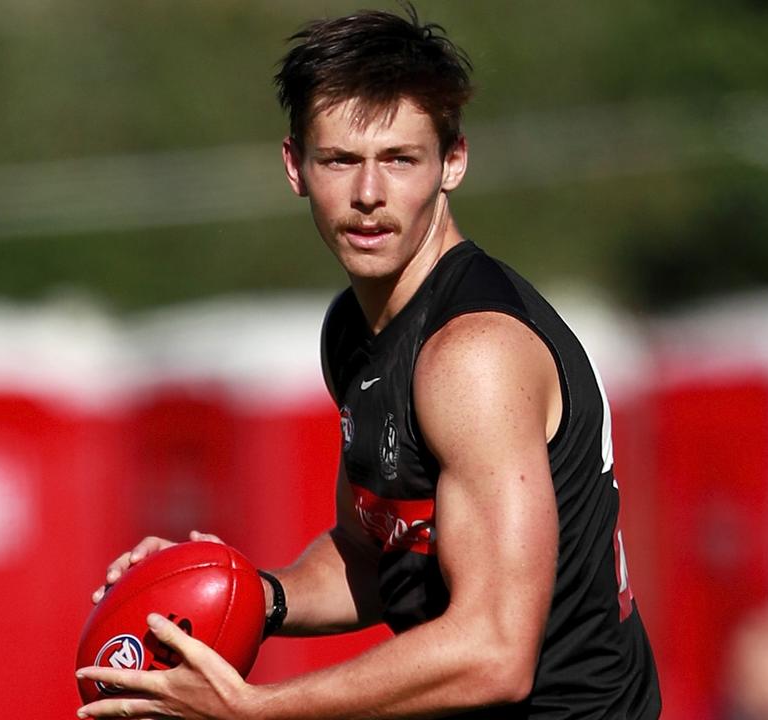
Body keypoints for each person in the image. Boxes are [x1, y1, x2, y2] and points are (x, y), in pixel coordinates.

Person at [77, 6, 660, 718]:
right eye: (340, 160)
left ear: (454, 162)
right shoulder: (354, 331)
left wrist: (253, 709)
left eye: (399, 159)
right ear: (295, 166)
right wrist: (250, 594)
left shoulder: (471, 356)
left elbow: (493, 652)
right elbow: (374, 554)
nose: (368, 196)